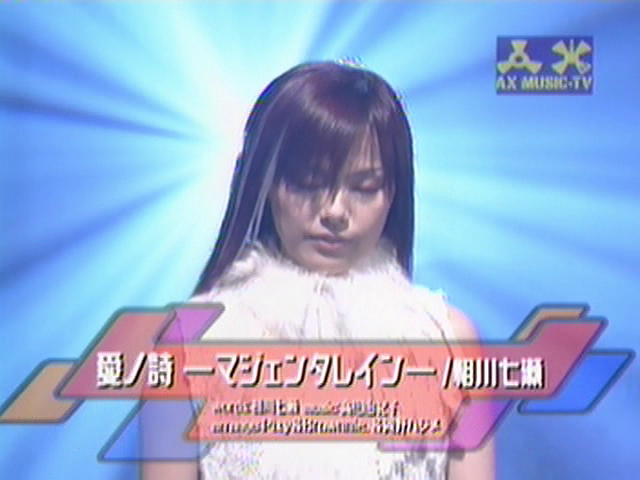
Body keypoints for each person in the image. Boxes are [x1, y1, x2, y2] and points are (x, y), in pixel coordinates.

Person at [142, 60, 495, 479]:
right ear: (266, 183)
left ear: (394, 194)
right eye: (308, 182)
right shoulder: (187, 342)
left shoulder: (449, 340)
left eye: (364, 187)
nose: (334, 211)